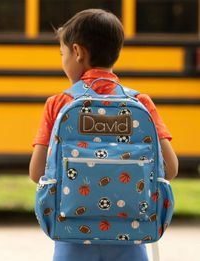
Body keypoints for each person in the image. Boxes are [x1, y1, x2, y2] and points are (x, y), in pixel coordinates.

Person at [29, 9, 178, 261]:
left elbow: (36, 173)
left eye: (63, 54)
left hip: (71, 234)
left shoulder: (58, 104)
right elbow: (170, 169)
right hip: (131, 234)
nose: (63, 60)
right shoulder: (140, 103)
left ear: (78, 52)